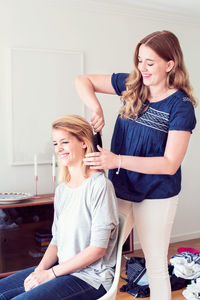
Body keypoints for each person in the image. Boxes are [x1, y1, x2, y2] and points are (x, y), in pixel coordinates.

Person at [74, 30, 197, 300]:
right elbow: (82, 80)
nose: (142, 68)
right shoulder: (132, 85)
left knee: (155, 265)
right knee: (100, 258)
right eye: (139, 60)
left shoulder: (181, 107)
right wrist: (96, 108)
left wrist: (116, 160)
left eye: (150, 62)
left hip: (157, 195)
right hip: (120, 189)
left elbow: (169, 164)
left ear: (170, 64)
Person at [0, 115, 119, 300]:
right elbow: (56, 241)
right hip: (62, 269)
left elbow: (98, 249)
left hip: (91, 278)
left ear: (84, 143)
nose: (59, 149)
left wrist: (50, 274)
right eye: (55, 143)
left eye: (64, 142)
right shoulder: (63, 190)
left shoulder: (100, 186)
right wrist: (40, 271)